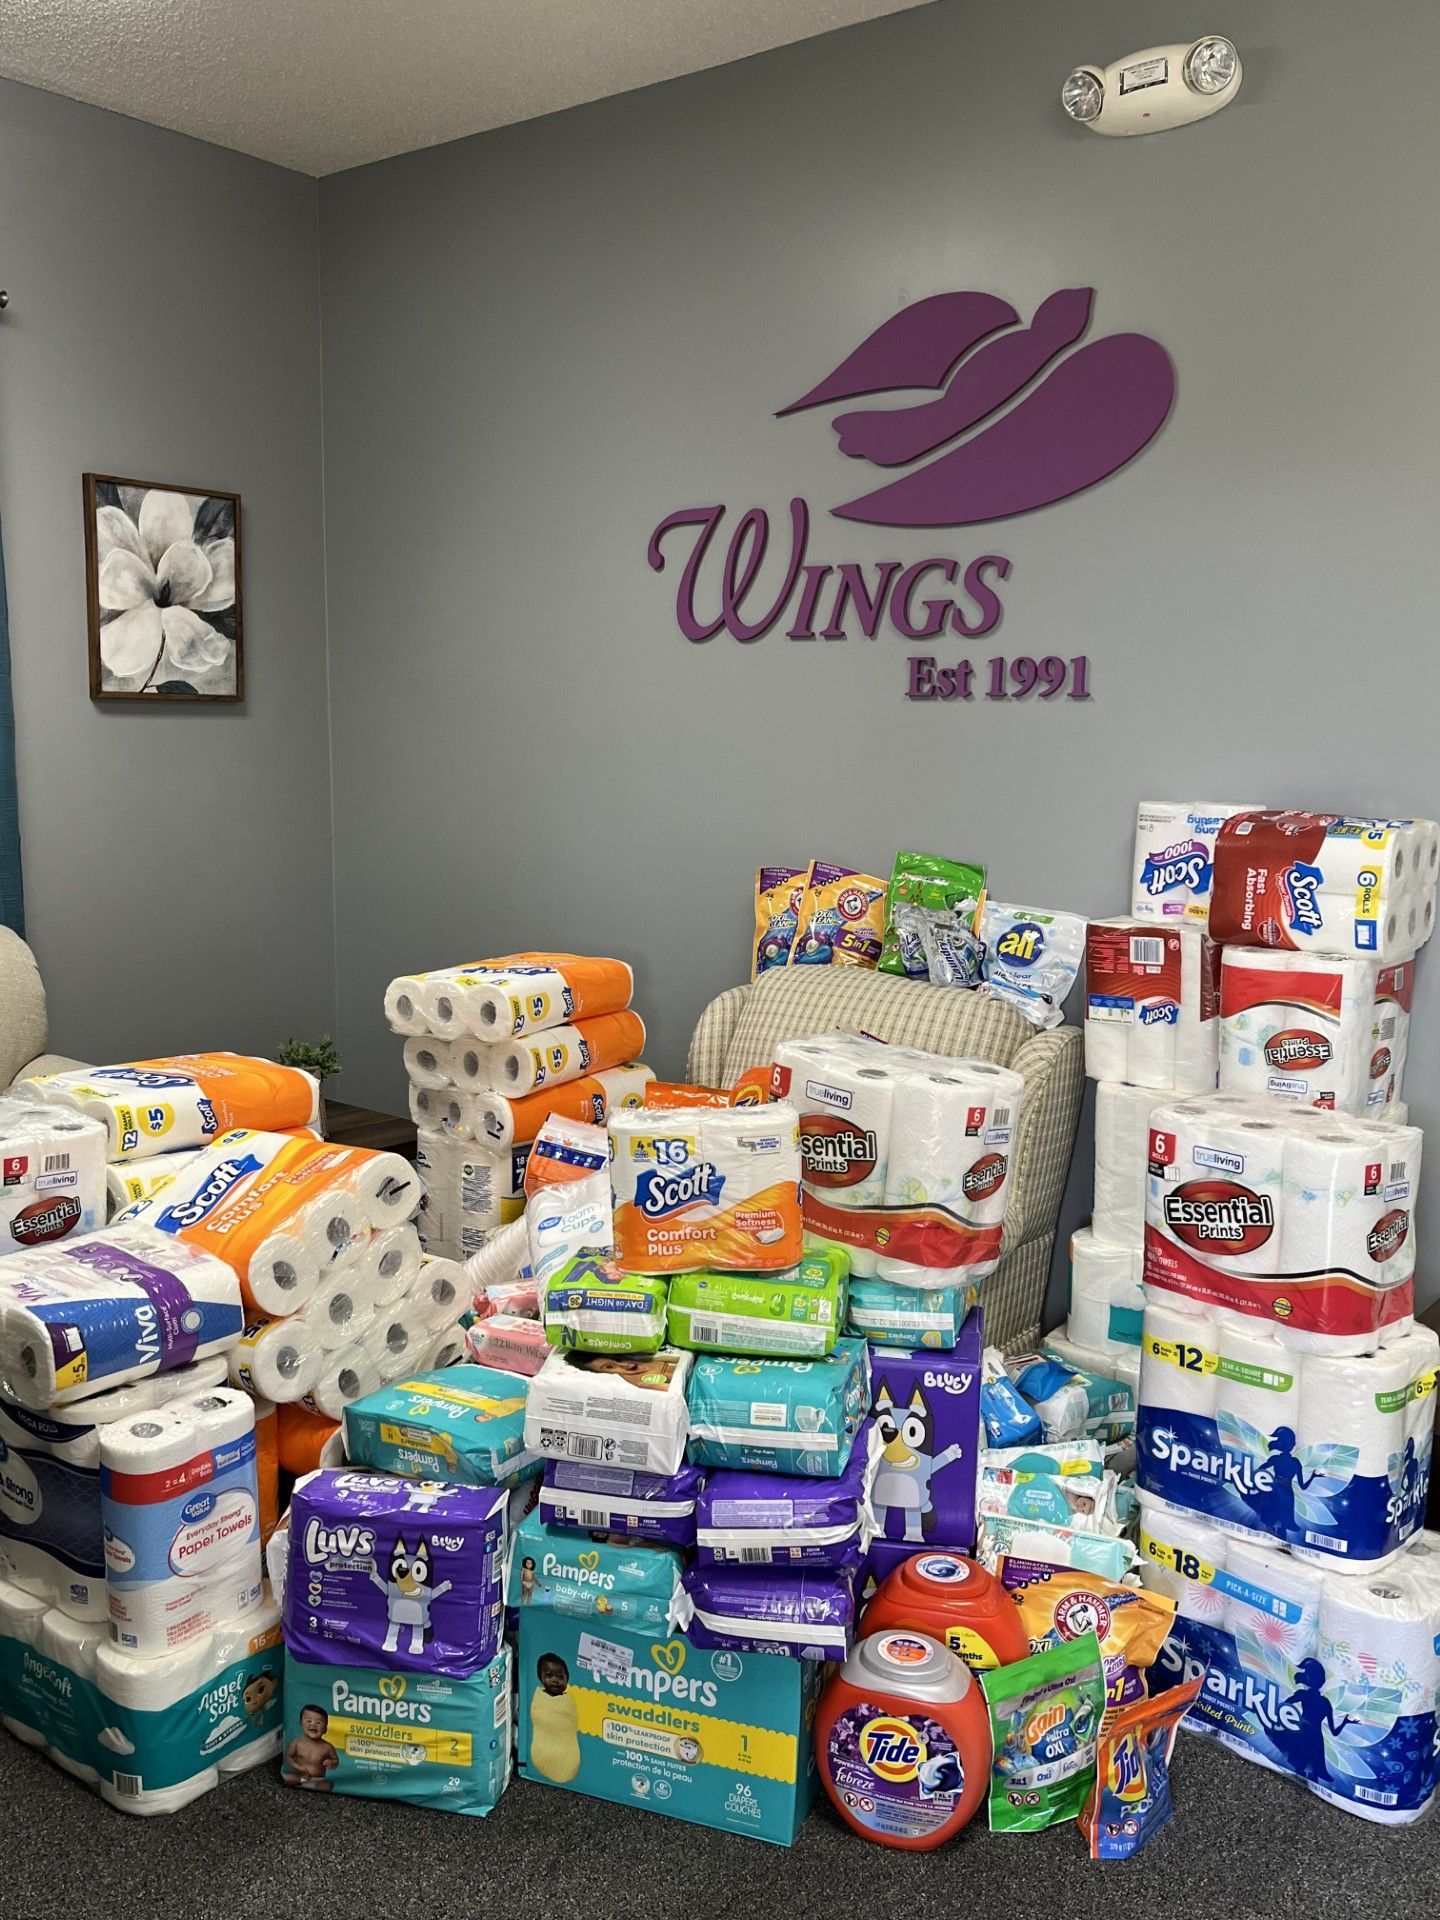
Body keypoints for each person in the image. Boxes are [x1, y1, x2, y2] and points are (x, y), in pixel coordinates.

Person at [282, 1703, 340, 1790]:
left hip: (318, 1779)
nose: (313, 1725)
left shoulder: (327, 1747)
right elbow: (288, 1756)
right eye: (309, 1721)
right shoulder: (297, 1742)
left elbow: (336, 1760)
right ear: (301, 1724)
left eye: (318, 1722)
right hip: (300, 1777)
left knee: (328, 1785)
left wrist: (332, 1763)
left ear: (325, 1729)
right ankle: (300, 1783)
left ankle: (311, 1786)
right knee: (287, 1778)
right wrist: (298, 1767)